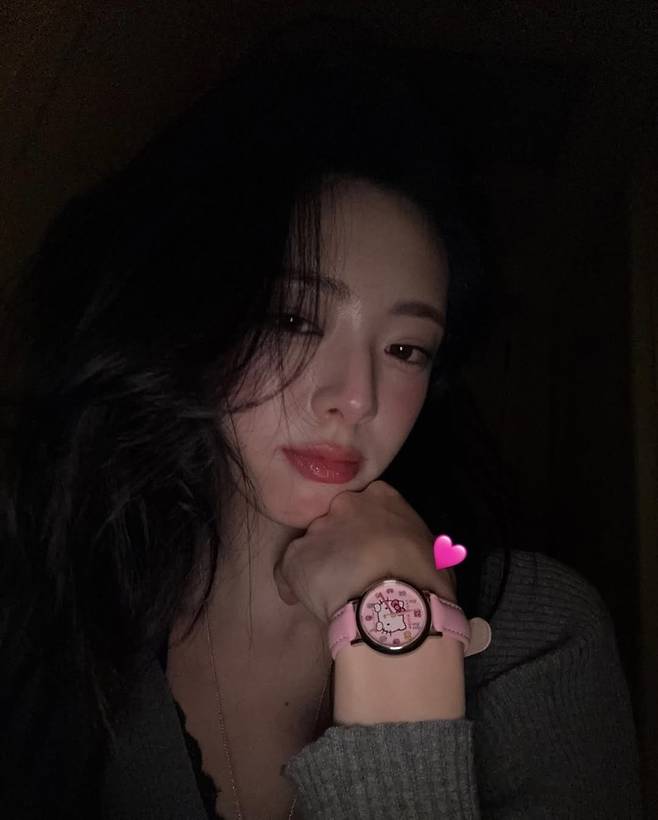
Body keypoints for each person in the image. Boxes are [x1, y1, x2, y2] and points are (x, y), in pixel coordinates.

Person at [0, 34, 643, 820]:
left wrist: (399, 637)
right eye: (294, 319)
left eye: (405, 349)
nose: (356, 398)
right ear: (194, 312)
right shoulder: (63, 608)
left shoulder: (543, 636)